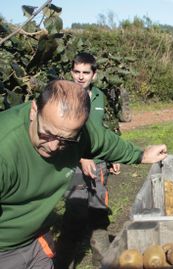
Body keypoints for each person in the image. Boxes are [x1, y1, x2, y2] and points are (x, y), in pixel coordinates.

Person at [0, 80, 168, 269]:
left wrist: (141, 155)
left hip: (35, 239)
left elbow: (105, 142)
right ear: (33, 110)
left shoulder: (77, 134)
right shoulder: (4, 150)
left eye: (66, 139)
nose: (54, 146)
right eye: (46, 134)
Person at [54, 53, 120, 268]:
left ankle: (102, 261)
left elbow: (106, 128)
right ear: (71, 72)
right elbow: (58, 133)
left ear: (94, 74)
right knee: (75, 214)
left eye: (86, 72)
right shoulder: (62, 96)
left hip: (100, 164)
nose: (81, 77)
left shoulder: (100, 96)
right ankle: (63, 263)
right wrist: (81, 157)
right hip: (74, 165)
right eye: (77, 72)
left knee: (99, 213)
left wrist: (113, 155)